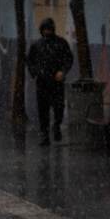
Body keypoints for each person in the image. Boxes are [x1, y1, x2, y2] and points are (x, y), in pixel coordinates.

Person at [26, 17, 74, 146]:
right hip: (42, 82)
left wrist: (63, 71)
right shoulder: (36, 45)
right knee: (43, 110)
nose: (47, 32)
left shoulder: (61, 43)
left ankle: (56, 126)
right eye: (45, 29)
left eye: (49, 29)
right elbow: (30, 61)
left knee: (58, 107)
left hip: (56, 82)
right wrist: (34, 74)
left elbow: (68, 58)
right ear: (42, 31)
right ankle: (44, 135)